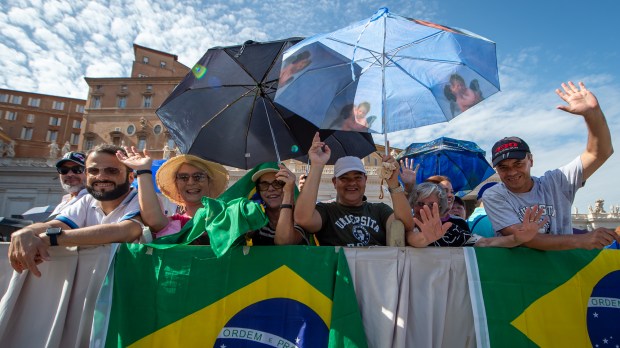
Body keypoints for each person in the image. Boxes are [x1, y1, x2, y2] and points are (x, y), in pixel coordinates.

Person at [483, 81, 618, 250]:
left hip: (565, 272)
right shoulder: (494, 195)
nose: (512, 172)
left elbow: (599, 153)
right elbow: (526, 239)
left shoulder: (556, 182)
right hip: (518, 273)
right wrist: (582, 240)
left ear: (530, 160)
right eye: (504, 167)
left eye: (518, 164)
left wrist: (592, 115)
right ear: (496, 169)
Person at [8, 144, 145, 277]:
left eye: (112, 171)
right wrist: (27, 231)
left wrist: (50, 238)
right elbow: (57, 224)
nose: (101, 177)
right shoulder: (87, 201)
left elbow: (124, 231)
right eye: (93, 171)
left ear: (131, 177)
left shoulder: (143, 200)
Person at [294, 133, 415, 246]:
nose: (352, 182)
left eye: (357, 177)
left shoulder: (379, 210)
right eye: (344, 178)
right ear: (335, 182)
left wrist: (394, 183)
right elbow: (303, 219)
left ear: (365, 180)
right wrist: (317, 165)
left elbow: (406, 225)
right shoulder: (326, 211)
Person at [117, 148, 228, 239]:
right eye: (183, 177)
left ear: (209, 182)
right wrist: (143, 170)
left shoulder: (229, 216)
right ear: (177, 185)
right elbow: (153, 220)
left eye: (198, 177)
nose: (191, 182)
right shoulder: (174, 224)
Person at [406, 182, 546, 247]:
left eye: (431, 205)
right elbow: (412, 239)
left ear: (441, 207)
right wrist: (425, 238)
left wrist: (517, 238)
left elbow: (485, 242)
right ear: (412, 205)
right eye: (420, 203)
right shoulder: (407, 224)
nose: (424, 209)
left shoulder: (451, 230)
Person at [246, 163, 307, 245]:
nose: (271, 189)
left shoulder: (300, 217)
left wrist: (289, 193)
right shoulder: (257, 219)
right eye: (264, 185)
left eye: (277, 183)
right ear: (258, 191)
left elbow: (284, 242)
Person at [48, 151, 88, 219]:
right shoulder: (64, 201)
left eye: (77, 169)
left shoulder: (92, 200)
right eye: (64, 170)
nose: (69, 174)